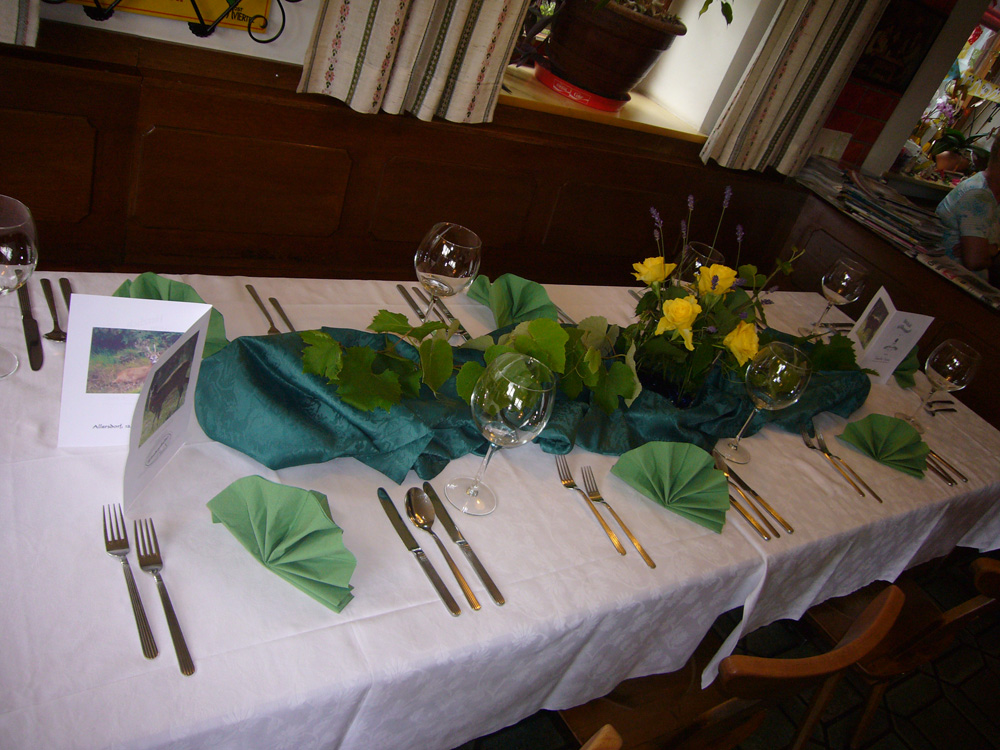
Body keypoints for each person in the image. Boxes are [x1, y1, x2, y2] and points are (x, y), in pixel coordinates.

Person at [935, 134, 1000, 281]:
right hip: (947, 282)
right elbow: (975, 261)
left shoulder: (994, 194)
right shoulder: (978, 194)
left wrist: (993, 250)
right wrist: (988, 251)